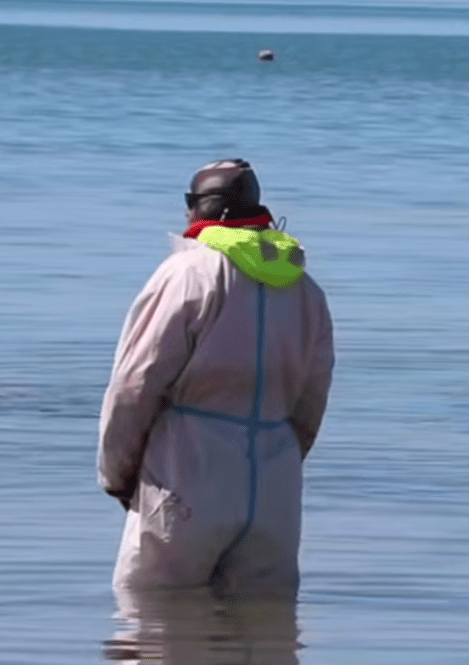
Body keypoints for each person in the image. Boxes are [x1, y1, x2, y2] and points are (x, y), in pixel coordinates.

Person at [97, 159, 334, 594]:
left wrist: (118, 474)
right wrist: (277, 462)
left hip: (186, 476)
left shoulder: (188, 274)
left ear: (201, 210)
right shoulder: (305, 290)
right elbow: (312, 402)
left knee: (150, 631)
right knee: (264, 642)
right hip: (273, 486)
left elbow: (135, 385)